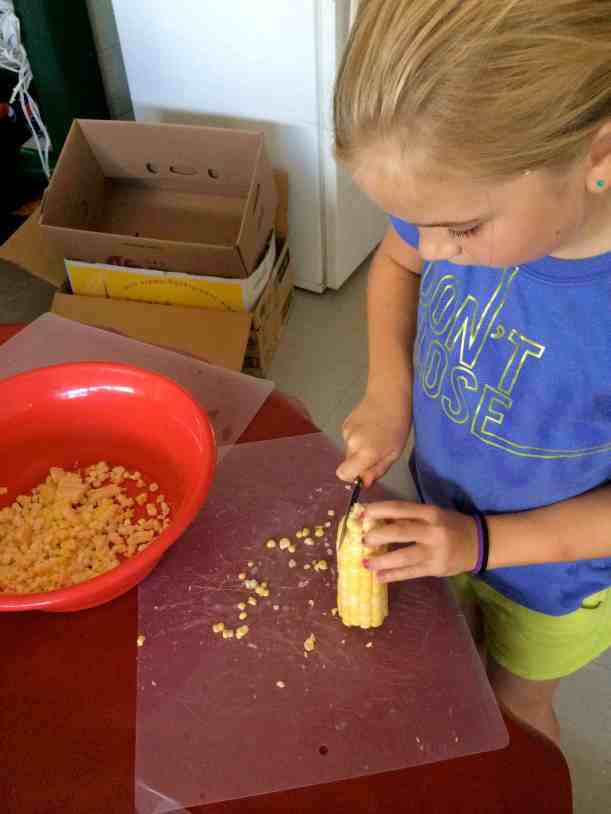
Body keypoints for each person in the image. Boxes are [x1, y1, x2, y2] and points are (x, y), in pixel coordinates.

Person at [333, 0, 611, 746]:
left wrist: (480, 545)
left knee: (512, 710)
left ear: (599, 152)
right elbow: (398, 263)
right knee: (442, 672)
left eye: (460, 228)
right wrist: (387, 392)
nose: (436, 247)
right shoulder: (457, 194)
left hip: (552, 575)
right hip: (439, 512)